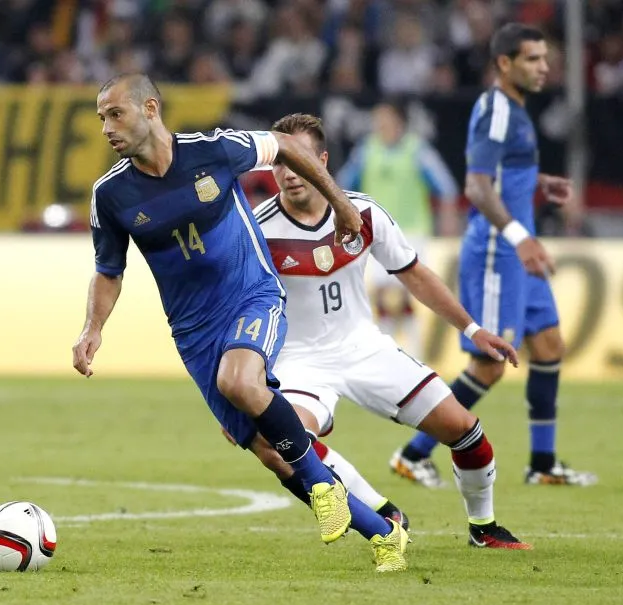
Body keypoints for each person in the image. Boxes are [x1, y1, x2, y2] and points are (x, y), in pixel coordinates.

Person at [71, 73, 407, 573]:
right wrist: (92, 327)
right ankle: (385, 534)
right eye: (101, 118)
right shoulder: (112, 194)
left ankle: (321, 485)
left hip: (252, 294)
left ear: (150, 110)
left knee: (240, 380)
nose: (106, 128)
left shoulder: (214, 150)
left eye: (115, 114)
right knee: (273, 454)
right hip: (194, 332)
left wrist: (339, 203)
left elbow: (290, 145)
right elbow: (108, 271)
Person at [248, 112, 531, 550]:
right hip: (298, 361)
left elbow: (414, 274)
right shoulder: (257, 228)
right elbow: (236, 305)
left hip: (364, 348)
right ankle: (382, 513)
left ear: (322, 160)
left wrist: (473, 330)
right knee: (284, 443)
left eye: (300, 159)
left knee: (465, 429)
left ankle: (484, 527)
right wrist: (239, 388)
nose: (290, 172)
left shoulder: (362, 212)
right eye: (281, 162)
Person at [392, 24, 597, 487]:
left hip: (516, 253)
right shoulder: (498, 110)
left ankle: (542, 465)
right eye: (532, 59)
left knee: (548, 346)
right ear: (504, 63)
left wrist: (538, 182)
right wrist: (522, 237)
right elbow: (476, 186)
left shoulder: (515, 111)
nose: (544, 67)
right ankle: (412, 454)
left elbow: (501, 171)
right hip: (497, 252)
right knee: (488, 364)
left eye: (545, 58)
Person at [336, 98, 459, 360]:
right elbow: (341, 184)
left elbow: (446, 187)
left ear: (399, 122)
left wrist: (449, 220)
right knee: (383, 295)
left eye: (386, 119)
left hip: (411, 232)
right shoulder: (366, 150)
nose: (381, 125)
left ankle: (410, 352)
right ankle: (391, 352)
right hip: (374, 233)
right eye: (378, 120)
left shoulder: (417, 151)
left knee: (404, 291)